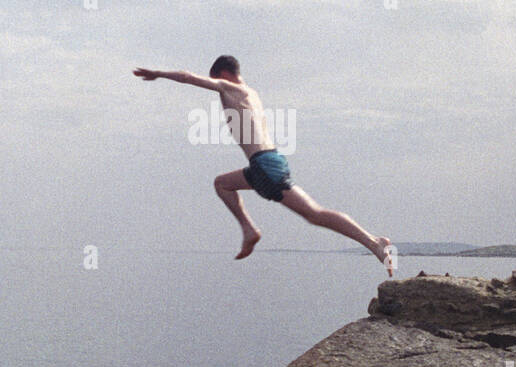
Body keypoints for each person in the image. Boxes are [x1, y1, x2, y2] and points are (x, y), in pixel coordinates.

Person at [133, 56, 394, 272]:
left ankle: (373, 242)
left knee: (314, 213)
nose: (216, 84)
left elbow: (189, 77)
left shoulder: (232, 88)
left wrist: (159, 73)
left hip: (266, 164)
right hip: (263, 163)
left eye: (217, 78)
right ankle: (249, 230)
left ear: (224, 74)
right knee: (223, 184)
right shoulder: (252, 94)